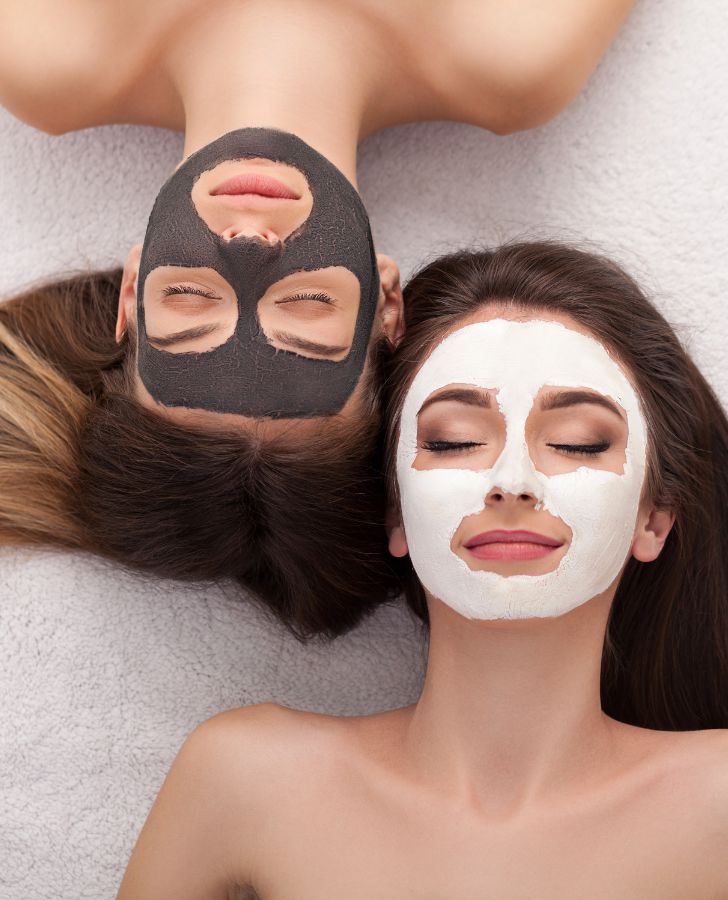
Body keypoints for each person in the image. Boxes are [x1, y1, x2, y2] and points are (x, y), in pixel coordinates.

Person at [0, 1, 636, 634]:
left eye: (191, 298)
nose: (248, 250)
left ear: (132, 287)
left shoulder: (49, 56)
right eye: (307, 304)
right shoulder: (515, 57)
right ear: (388, 302)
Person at [115, 243, 728, 898]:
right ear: (394, 511)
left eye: (577, 442)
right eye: (454, 441)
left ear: (654, 519)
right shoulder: (246, 778)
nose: (512, 483)